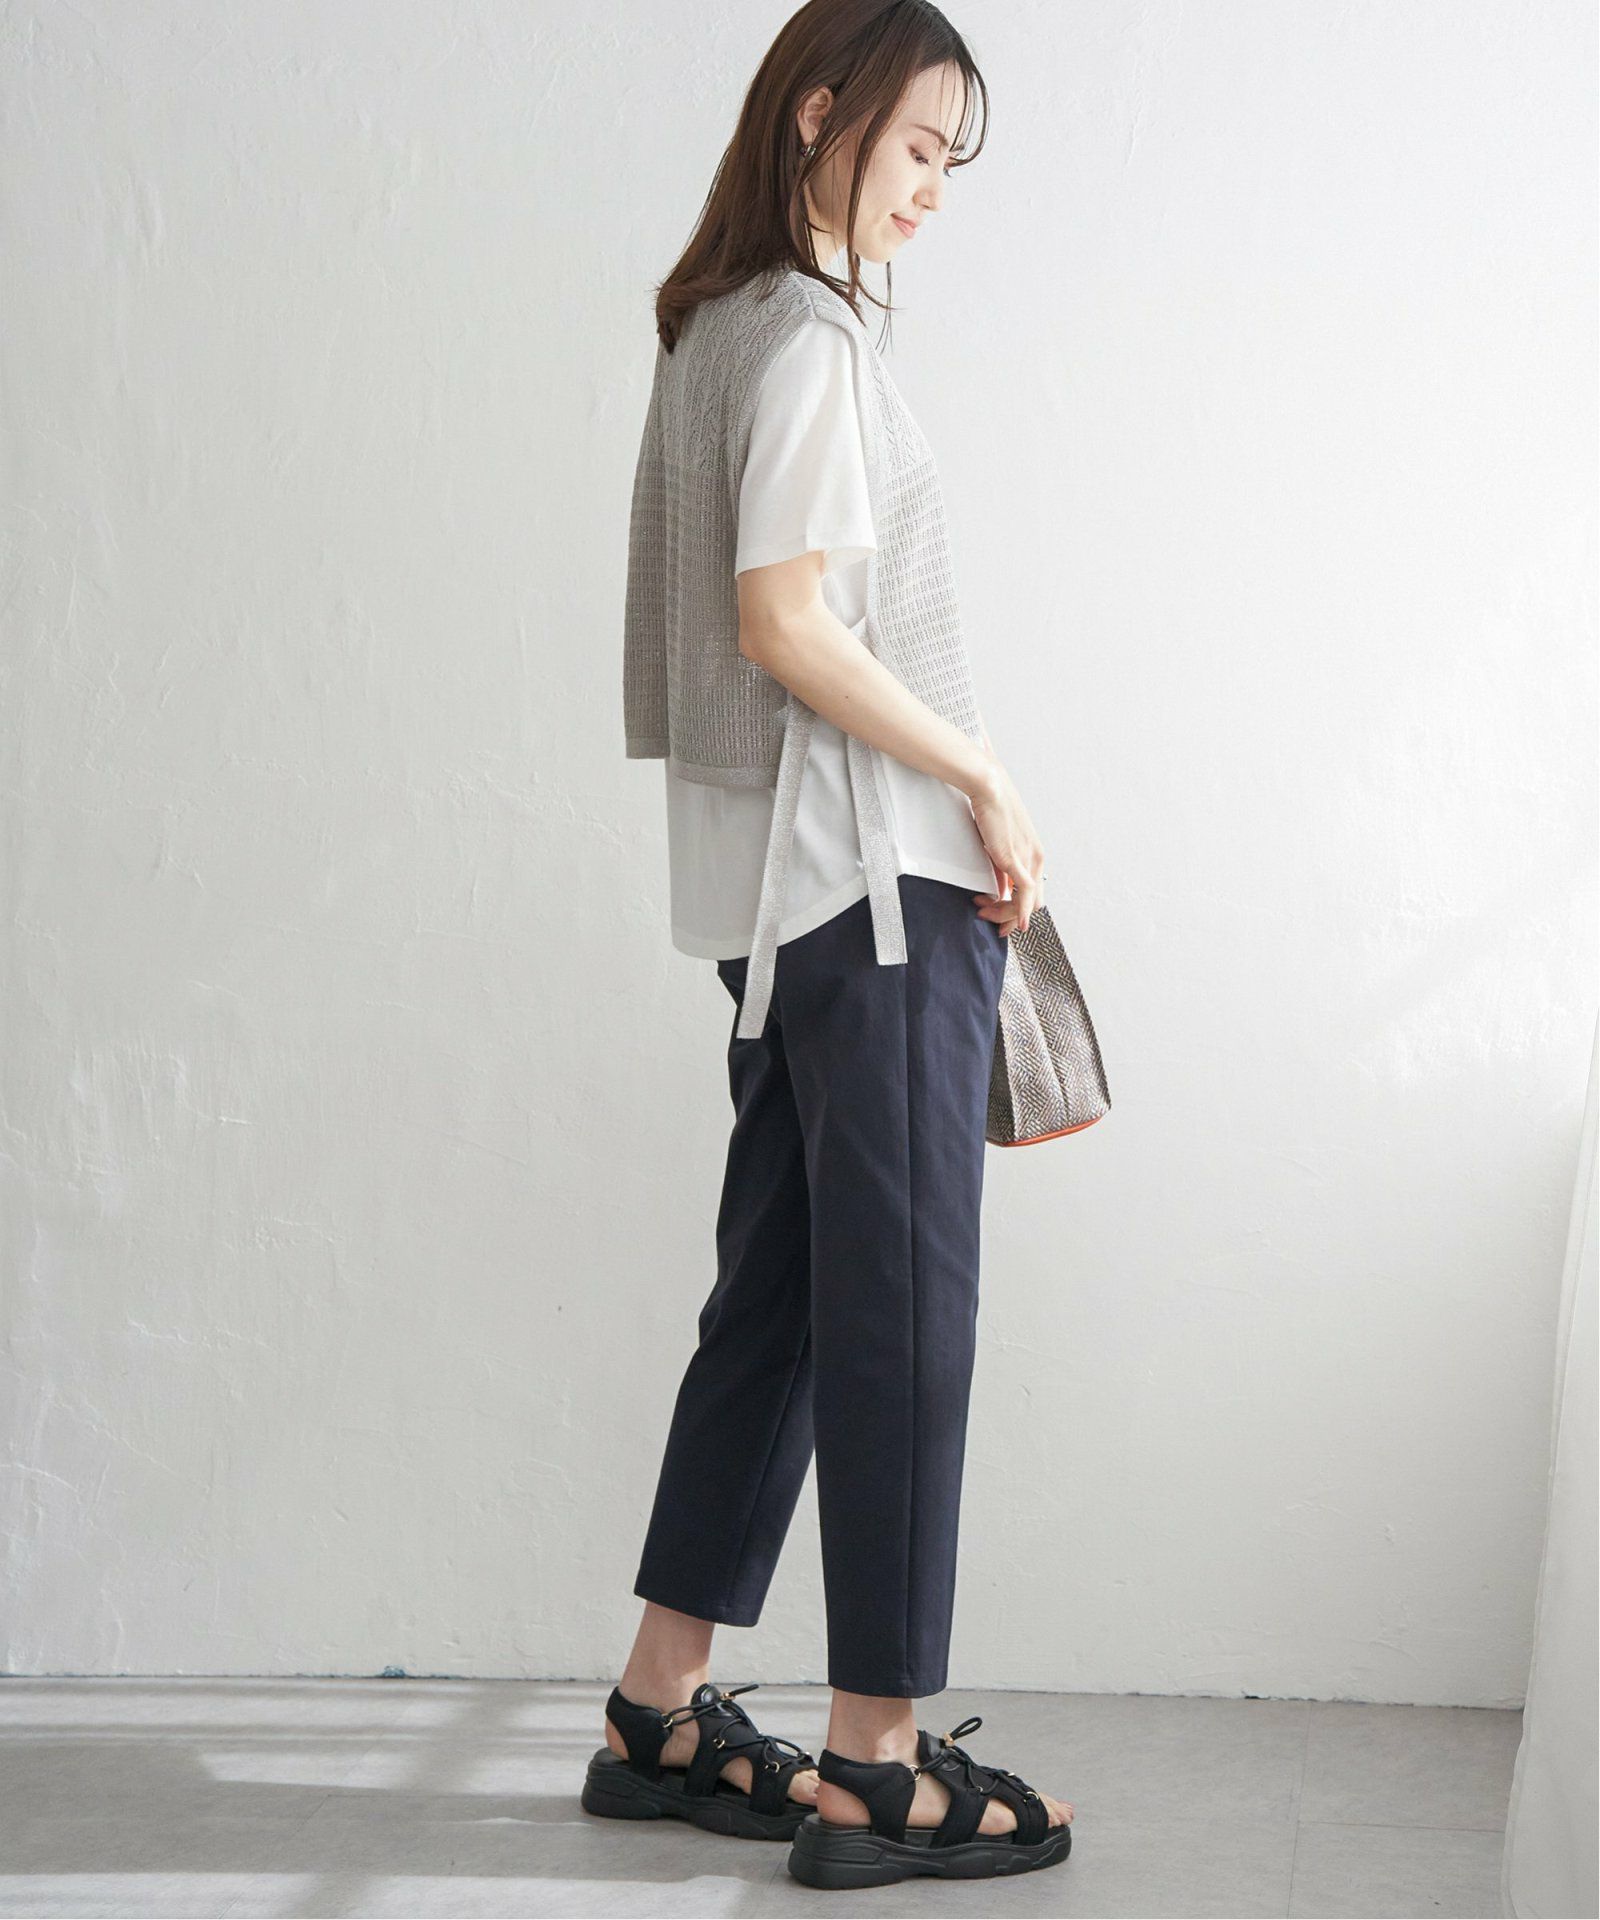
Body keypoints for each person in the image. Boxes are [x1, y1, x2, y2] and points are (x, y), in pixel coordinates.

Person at [590, 0, 1074, 1891]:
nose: (937, 189)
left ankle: (659, 1707)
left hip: (785, 912)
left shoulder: (715, 325)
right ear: (822, 117)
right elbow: (786, 622)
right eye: (920, 148)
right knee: (904, 1317)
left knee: (784, 1305)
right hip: (874, 898)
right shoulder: (803, 340)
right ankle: (876, 1759)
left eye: (955, 160)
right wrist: (987, 775)